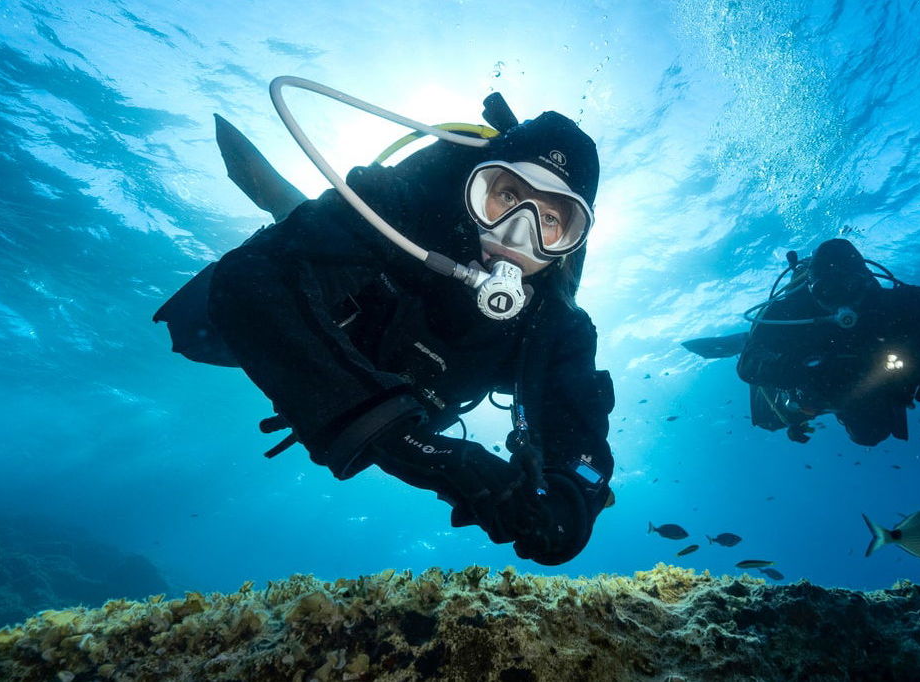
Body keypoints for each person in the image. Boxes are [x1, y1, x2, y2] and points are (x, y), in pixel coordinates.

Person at [154, 92, 614, 565]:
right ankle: (297, 218)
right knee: (206, 324)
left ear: (571, 242)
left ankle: (299, 220)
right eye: (508, 197)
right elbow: (251, 281)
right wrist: (392, 436)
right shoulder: (402, 211)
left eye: (551, 219)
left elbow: (582, 445)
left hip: (385, 391)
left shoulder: (555, 325)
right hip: (336, 316)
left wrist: (562, 510)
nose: (516, 234)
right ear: (476, 187)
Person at [683, 238, 920, 446]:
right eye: (827, 290)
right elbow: (749, 368)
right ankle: (749, 339)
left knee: (871, 435)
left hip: (864, 378)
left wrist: (914, 361)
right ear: (812, 289)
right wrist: (811, 369)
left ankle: (759, 343)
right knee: (780, 413)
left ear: (866, 281)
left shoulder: (896, 302)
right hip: (808, 372)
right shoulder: (789, 311)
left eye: (850, 285)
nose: (842, 299)